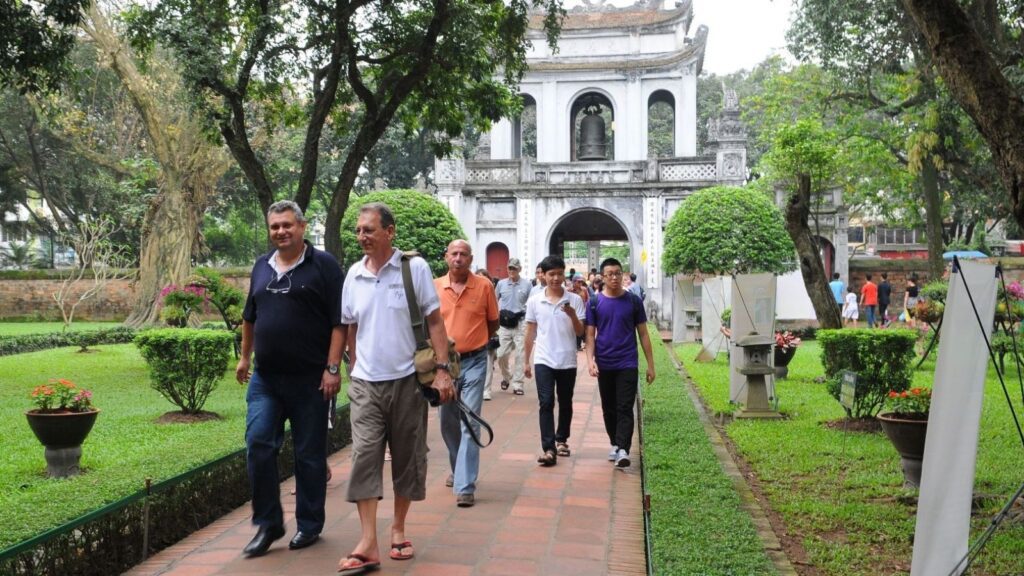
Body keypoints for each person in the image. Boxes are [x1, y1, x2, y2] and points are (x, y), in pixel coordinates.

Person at [337, 202, 455, 574]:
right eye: (359, 230)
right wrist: (354, 366)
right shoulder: (353, 274)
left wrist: (442, 370)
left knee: (407, 456)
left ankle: (399, 528)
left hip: (407, 380)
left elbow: (435, 321)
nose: (362, 237)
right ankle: (368, 541)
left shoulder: (413, 268)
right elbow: (350, 325)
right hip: (366, 385)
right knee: (365, 456)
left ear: (390, 232)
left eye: (369, 230)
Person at [235, 200, 344, 557]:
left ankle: (310, 525)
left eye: (286, 225)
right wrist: (244, 357)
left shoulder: (324, 266)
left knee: (309, 455)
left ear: (301, 226)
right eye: (274, 227)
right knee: (258, 444)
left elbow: (339, 322)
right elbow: (250, 316)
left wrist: (332, 368)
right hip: (266, 379)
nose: (280, 232)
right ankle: (269, 524)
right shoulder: (261, 266)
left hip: (310, 380)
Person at [435, 240, 499, 508]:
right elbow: (429, 324)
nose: (458, 258)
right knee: (447, 422)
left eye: (464, 254)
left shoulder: (484, 286)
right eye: (454, 254)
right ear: (446, 257)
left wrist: (476, 340)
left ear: (471, 259)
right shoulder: (435, 286)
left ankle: (465, 485)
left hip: (474, 361)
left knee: (470, 421)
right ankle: (457, 465)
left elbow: (493, 322)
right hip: (444, 364)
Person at [585, 258, 656, 469]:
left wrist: (651, 365)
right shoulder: (595, 303)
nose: (614, 277)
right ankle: (615, 443)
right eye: (609, 274)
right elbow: (590, 335)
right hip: (605, 362)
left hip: (627, 362)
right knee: (609, 407)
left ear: (622, 274)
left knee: (625, 406)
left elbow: (643, 333)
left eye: (617, 273)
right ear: (603, 277)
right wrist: (590, 361)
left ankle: (623, 449)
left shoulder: (633, 301)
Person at [524, 255, 585, 466]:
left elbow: (580, 332)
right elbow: (530, 332)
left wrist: (572, 315)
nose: (556, 278)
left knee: (565, 401)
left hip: (567, 359)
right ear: (543, 275)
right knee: (546, 402)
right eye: (551, 274)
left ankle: (562, 440)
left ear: (564, 274)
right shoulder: (534, 301)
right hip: (543, 359)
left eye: (559, 274)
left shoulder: (575, 300)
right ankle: (549, 448)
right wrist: (526, 361)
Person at [495, 258, 534, 396]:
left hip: (520, 323)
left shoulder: (527, 285)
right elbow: (494, 301)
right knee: (500, 354)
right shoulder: (501, 284)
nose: (512, 271)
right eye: (510, 268)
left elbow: (532, 303)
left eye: (514, 268)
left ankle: (518, 384)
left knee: (520, 354)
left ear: (520, 269)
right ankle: (507, 376)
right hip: (504, 324)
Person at [476, 269, 500, 401]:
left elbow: (495, 318)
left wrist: (489, 333)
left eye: (484, 278)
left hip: (488, 334)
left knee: (489, 362)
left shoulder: (491, 294)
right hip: (473, 337)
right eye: (478, 277)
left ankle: (486, 390)